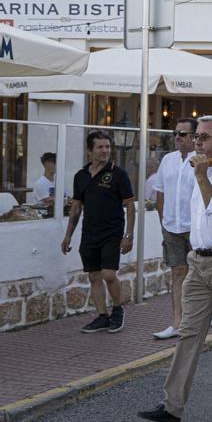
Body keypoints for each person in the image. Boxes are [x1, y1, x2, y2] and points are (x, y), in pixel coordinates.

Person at [138, 116, 212, 422]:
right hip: (200, 262)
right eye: (197, 138)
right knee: (189, 333)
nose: (197, 143)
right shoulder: (195, 169)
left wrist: (203, 177)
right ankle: (171, 406)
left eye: (204, 138)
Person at [61, 131, 134, 334]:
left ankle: (117, 310)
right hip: (89, 233)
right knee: (94, 276)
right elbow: (76, 208)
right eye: (100, 147)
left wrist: (129, 235)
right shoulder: (81, 176)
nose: (105, 151)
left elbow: (130, 205)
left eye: (107, 147)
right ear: (89, 152)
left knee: (109, 274)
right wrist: (68, 236)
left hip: (112, 232)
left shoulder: (118, 174)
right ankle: (102, 316)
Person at [151, 119, 197, 341]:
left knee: (203, 273)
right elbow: (159, 191)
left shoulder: (201, 160)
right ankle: (177, 323)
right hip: (171, 226)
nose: (177, 137)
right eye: (176, 133)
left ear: (194, 137)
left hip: (196, 227)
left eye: (182, 133)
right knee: (178, 271)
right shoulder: (167, 160)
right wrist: (162, 219)